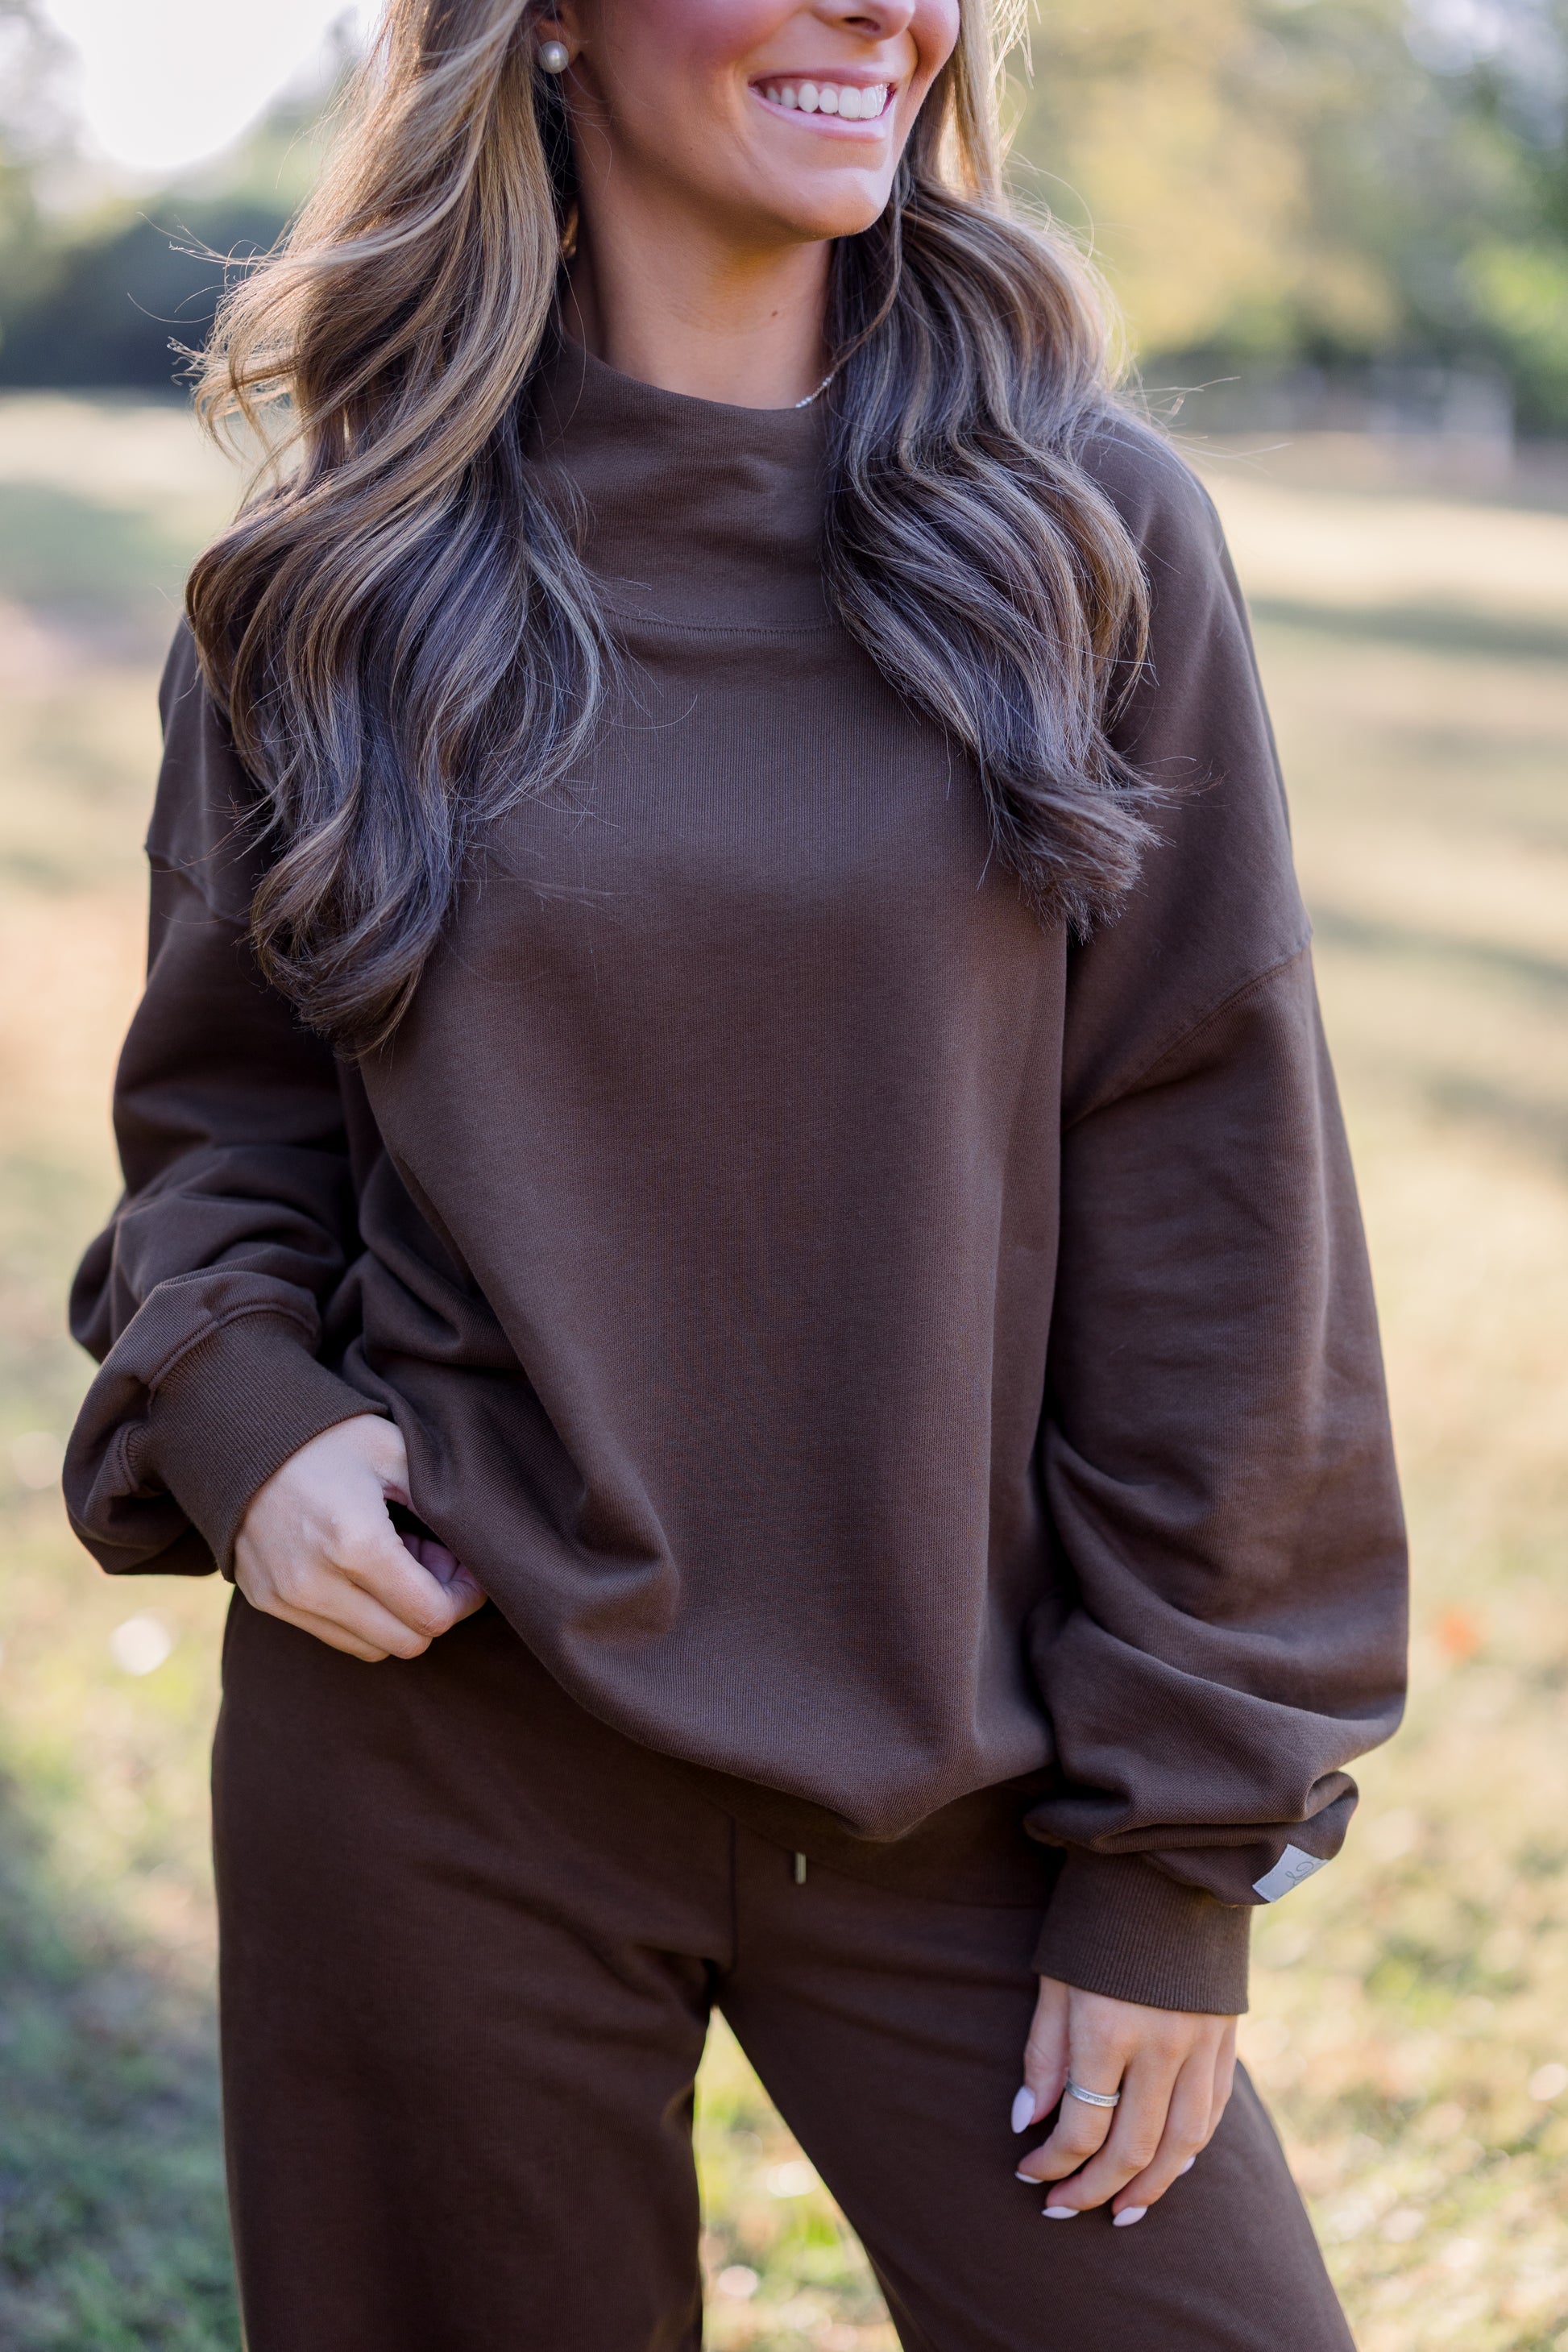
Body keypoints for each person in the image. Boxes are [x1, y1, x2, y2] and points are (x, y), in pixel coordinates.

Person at [64, 2, 1408, 2346]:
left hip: (973, 1771)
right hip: (434, 1745)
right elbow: (224, 1136)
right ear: (550, 24)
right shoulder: (335, 576)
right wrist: (251, 1423)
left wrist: (1175, 1865)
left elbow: (1216, 1195)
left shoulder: (1085, 534)